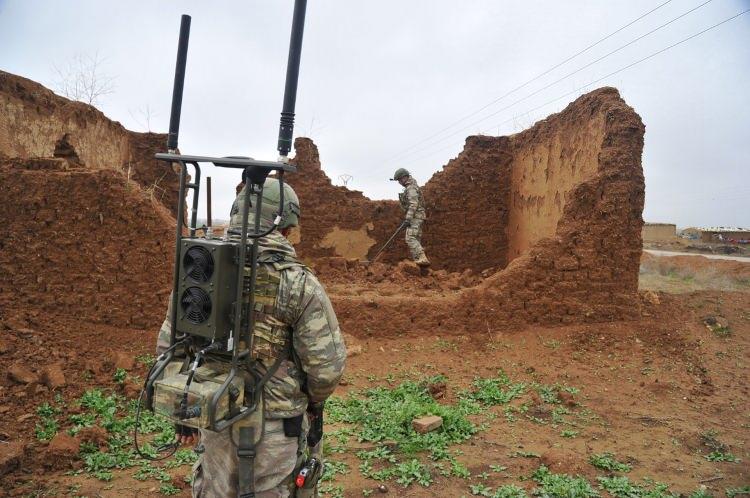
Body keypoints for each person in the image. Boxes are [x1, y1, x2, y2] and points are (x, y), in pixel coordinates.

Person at [156, 176, 346, 497]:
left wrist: (184, 411)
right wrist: (313, 401)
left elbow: (169, 348)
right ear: (285, 227)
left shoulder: (201, 270)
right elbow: (326, 369)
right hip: (275, 429)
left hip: (214, 414)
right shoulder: (298, 284)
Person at [391, 168, 430, 266]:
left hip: (415, 217)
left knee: (410, 237)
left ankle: (422, 258)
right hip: (418, 216)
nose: (399, 182)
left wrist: (408, 218)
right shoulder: (412, 186)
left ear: (405, 177)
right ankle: (419, 264)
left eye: (399, 180)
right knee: (416, 238)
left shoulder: (411, 188)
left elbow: (413, 204)